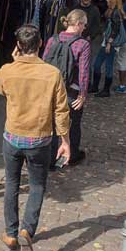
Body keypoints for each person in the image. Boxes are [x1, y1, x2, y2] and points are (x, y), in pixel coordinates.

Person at [0, 24, 71, 251]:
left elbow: (0, 90)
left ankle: (10, 233)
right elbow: (61, 110)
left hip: (13, 135)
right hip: (39, 138)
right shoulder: (52, 73)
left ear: (18, 46)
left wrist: (13, 62)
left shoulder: (6, 71)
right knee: (37, 184)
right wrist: (65, 141)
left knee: (12, 184)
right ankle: (27, 229)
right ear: (40, 44)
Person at [43, 10, 91, 166]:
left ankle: (50, 159)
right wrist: (83, 95)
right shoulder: (83, 44)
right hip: (71, 91)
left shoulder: (52, 40)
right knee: (73, 123)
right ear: (78, 24)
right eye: (84, 24)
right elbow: (83, 73)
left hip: (51, 88)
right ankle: (72, 155)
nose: (84, 28)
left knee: (51, 124)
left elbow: (43, 63)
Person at [91, 0, 126, 97]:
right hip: (107, 41)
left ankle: (105, 90)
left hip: (110, 42)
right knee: (99, 64)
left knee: (107, 66)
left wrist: (109, 42)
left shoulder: (115, 12)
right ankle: (96, 87)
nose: (106, 0)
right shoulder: (113, 11)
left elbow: (115, 28)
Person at [77, 0, 102, 75]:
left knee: (86, 62)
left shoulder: (94, 10)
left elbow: (97, 26)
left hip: (87, 40)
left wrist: (91, 36)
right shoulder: (75, 8)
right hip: (75, 38)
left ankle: (86, 83)